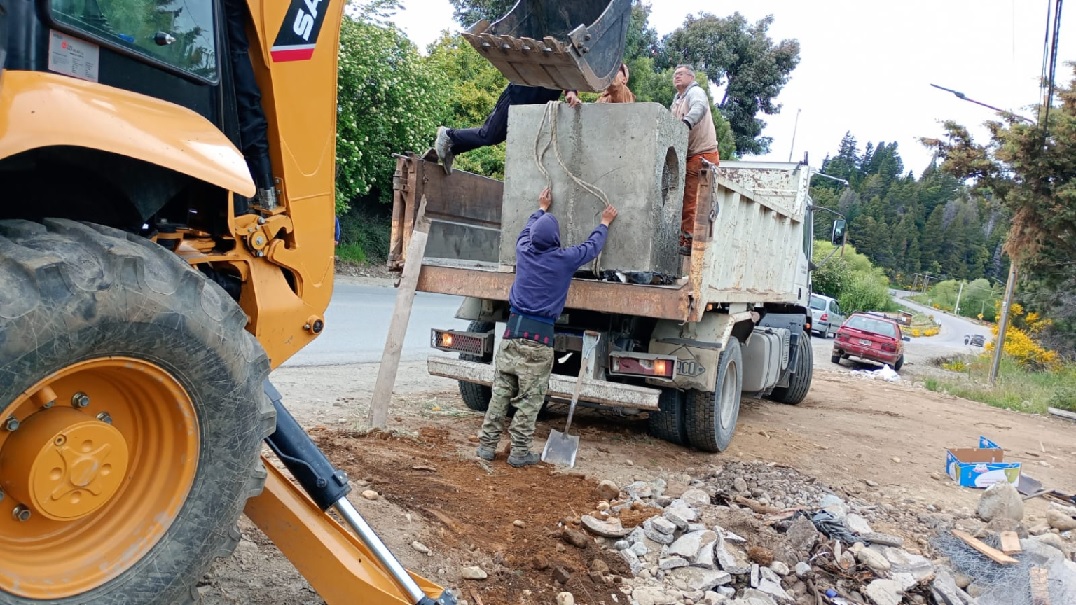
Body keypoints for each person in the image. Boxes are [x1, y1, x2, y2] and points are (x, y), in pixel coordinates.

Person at [476, 187, 618, 467]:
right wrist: (604, 223)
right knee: (530, 400)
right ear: (555, 239)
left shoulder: (523, 252)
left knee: (500, 393)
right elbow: (591, 248)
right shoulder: (564, 260)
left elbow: (527, 230)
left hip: (511, 335)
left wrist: (541, 208)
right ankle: (519, 453)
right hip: (539, 342)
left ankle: (486, 447)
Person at [434, 85, 581, 174]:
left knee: (496, 137)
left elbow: (568, 66)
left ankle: (452, 150)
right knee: (488, 135)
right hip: (517, 96)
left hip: (531, 106)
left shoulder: (569, 46)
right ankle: (448, 135)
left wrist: (571, 91)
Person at [670, 64, 720, 255]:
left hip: (702, 153)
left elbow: (699, 108)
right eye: (675, 75)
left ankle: (690, 240)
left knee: (691, 198)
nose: (677, 77)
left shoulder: (696, 93)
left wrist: (686, 123)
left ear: (691, 77)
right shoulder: (677, 100)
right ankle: (686, 237)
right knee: (684, 197)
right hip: (688, 155)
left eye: (681, 74)